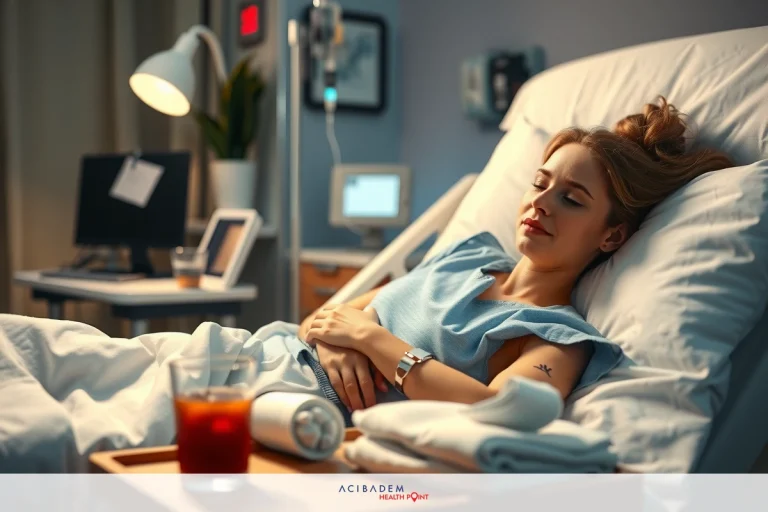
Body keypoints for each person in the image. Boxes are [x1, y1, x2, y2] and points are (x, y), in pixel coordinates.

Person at [295, 96, 734, 421]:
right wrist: (333, 346)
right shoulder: (467, 254)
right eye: (540, 183)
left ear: (612, 235)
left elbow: (500, 409)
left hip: (306, 416)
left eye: (571, 199)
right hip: (283, 360)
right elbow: (323, 319)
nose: (540, 203)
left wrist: (370, 340)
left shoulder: (558, 338)